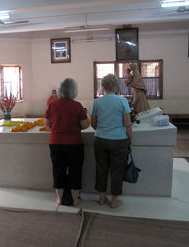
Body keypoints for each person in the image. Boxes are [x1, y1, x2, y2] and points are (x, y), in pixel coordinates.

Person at [45, 78, 89, 206]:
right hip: (74, 144)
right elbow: (85, 125)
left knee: (58, 170)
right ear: (74, 91)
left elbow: (47, 125)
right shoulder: (77, 105)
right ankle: (75, 200)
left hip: (56, 143)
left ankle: (59, 199)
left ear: (60, 90)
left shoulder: (52, 105)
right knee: (75, 170)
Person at [91, 74, 132, 208]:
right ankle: (114, 201)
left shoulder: (97, 102)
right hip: (119, 141)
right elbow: (127, 124)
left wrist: (103, 129)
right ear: (117, 86)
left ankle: (102, 198)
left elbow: (93, 123)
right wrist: (130, 141)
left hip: (100, 140)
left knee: (101, 169)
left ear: (103, 86)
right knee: (117, 171)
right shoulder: (122, 101)